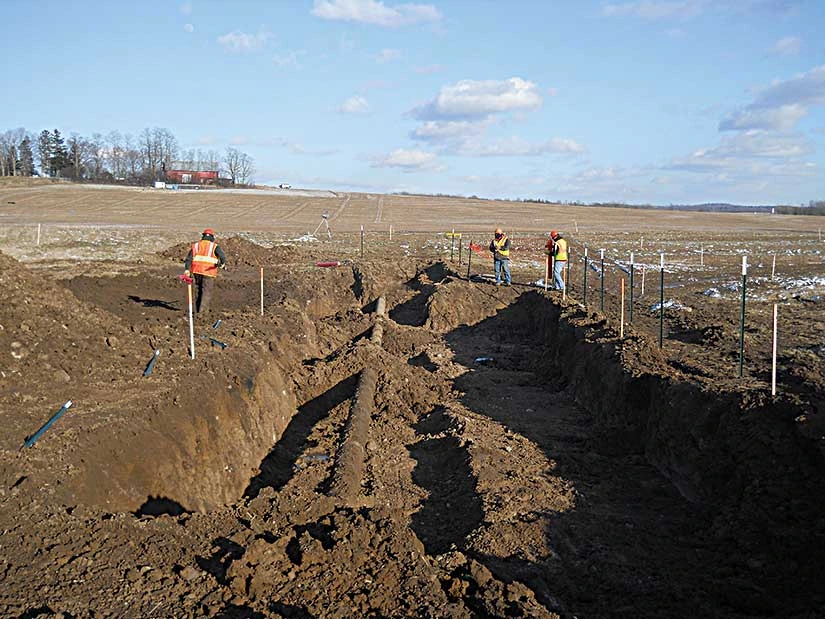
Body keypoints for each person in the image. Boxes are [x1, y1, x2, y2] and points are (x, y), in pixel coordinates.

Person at [183, 228, 227, 312]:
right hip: (208, 272)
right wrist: (222, 264)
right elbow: (222, 257)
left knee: (197, 290)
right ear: (212, 237)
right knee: (206, 292)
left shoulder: (196, 245)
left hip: (196, 271)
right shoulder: (214, 246)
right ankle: (202, 313)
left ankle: (197, 310)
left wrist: (187, 270)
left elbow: (189, 258)